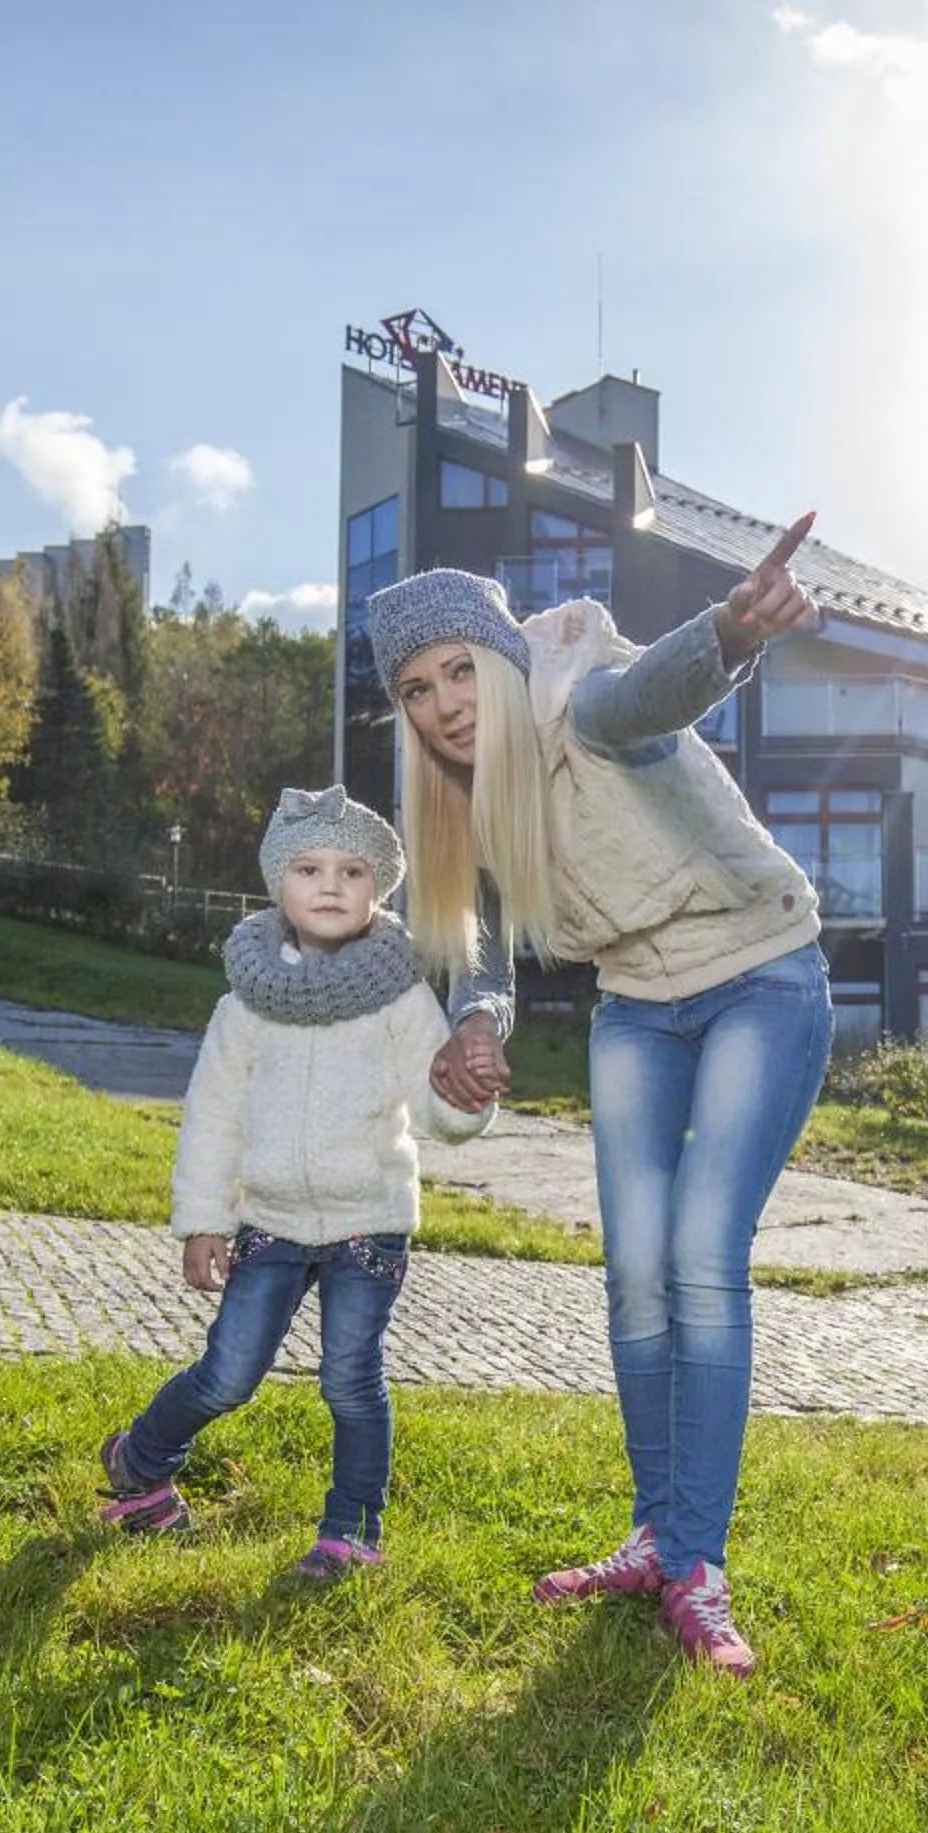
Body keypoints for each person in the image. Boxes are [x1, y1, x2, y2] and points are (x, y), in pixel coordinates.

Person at [364, 519, 830, 1675]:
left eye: (460, 670)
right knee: (633, 1270)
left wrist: (731, 631)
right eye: (418, 689)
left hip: (760, 978)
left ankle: (699, 1567)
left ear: (500, 657)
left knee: (701, 1252)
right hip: (636, 1004)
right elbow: (480, 944)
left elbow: (651, 693)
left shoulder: (580, 699)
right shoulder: (464, 795)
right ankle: (657, 1533)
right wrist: (479, 1020)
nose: (445, 704)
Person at [97, 784, 494, 1576]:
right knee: (227, 1375)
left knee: (352, 1381)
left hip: (368, 1226)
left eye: (352, 872)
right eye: (309, 869)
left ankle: (351, 1532)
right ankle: (140, 1461)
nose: (330, 886)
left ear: (379, 889)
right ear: (278, 882)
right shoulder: (246, 1004)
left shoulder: (401, 996)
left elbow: (436, 1107)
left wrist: (465, 1094)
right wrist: (203, 1221)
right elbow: (213, 1118)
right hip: (270, 1224)